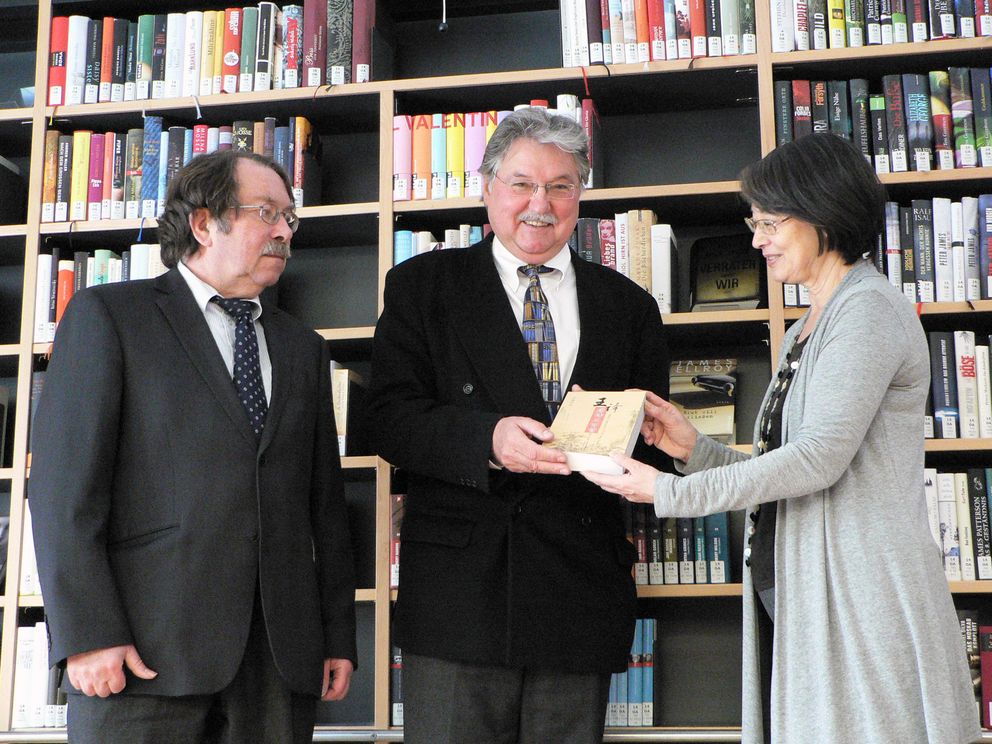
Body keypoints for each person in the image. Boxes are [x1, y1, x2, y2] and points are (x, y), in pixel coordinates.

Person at [583, 132, 980, 744]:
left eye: (770, 223)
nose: (755, 240)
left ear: (824, 214)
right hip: (807, 589)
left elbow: (819, 460)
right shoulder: (806, 326)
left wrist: (667, 491)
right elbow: (787, 464)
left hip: (861, 594)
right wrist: (694, 451)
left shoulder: (867, 310)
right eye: (754, 222)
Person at [29, 149, 358, 744]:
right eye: (267, 213)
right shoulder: (110, 317)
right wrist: (86, 633)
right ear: (204, 224)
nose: (285, 231)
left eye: (291, 218)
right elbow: (62, 492)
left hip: (278, 663)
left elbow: (324, 507)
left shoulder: (301, 346)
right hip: (141, 655)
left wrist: (337, 635)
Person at [367, 106, 670, 744]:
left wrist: (637, 448)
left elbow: (658, 456)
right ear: (487, 185)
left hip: (578, 590)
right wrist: (487, 441)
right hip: (460, 596)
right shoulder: (423, 286)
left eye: (561, 186)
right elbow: (388, 419)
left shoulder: (630, 308)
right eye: (522, 183)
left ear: (580, 196)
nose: (541, 203)